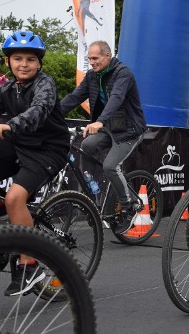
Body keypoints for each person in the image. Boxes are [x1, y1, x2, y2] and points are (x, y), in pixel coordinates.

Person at [0, 30, 69, 295]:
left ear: (39, 63)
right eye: (18, 58)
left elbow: (38, 111)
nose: (24, 64)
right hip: (17, 143)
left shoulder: (45, 84)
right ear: (8, 62)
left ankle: (30, 264)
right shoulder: (7, 88)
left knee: (15, 198)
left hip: (47, 150)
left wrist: (8, 125)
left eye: (30, 59)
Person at [60, 40, 147, 235]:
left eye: (95, 58)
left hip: (129, 130)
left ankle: (128, 207)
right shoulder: (92, 76)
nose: (91, 62)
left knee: (110, 166)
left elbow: (116, 97)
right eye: (89, 58)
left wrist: (99, 121)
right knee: (87, 146)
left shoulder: (123, 73)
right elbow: (75, 97)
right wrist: (50, 114)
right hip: (110, 128)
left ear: (107, 56)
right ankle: (95, 194)